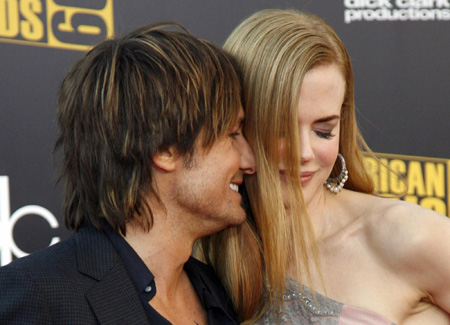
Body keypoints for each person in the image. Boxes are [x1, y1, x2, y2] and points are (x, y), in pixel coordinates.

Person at [197, 9, 450, 324]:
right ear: (239, 122)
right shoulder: (200, 249)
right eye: (280, 129)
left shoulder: (408, 237)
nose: (303, 152)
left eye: (323, 131)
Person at [0, 22, 255, 324]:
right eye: (233, 134)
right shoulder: (39, 296)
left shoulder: (219, 293)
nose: (249, 160)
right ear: (165, 150)